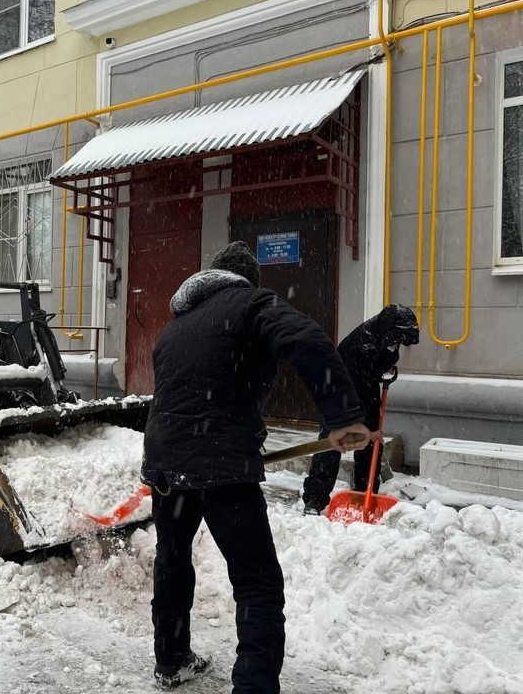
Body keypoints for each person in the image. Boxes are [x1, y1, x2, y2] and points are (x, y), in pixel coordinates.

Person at [141, 240, 373, 693]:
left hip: (166, 465)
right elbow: (305, 338)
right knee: (257, 583)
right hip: (221, 465)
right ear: (247, 279)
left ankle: (170, 661)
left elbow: (199, 390)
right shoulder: (252, 304)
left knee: (171, 562)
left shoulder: (175, 327)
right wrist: (343, 414)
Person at [301, 304, 419, 515]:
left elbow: (381, 362)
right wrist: (361, 426)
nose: (397, 344)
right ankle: (315, 499)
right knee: (331, 444)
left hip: (365, 387)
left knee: (372, 444)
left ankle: (365, 494)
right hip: (337, 393)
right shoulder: (360, 348)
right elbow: (358, 388)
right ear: (387, 330)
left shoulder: (385, 333)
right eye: (397, 339)